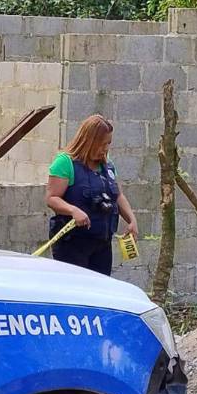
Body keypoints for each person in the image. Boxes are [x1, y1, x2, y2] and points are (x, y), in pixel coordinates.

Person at [45, 114, 138, 276]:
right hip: (73, 244)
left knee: (100, 287)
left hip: (102, 243)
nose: (106, 148)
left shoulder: (107, 166)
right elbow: (52, 199)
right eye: (102, 144)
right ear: (89, 141)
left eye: (108, 143)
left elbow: (117, 195)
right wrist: (73, 210)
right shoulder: (65, 163)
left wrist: (132, 220)